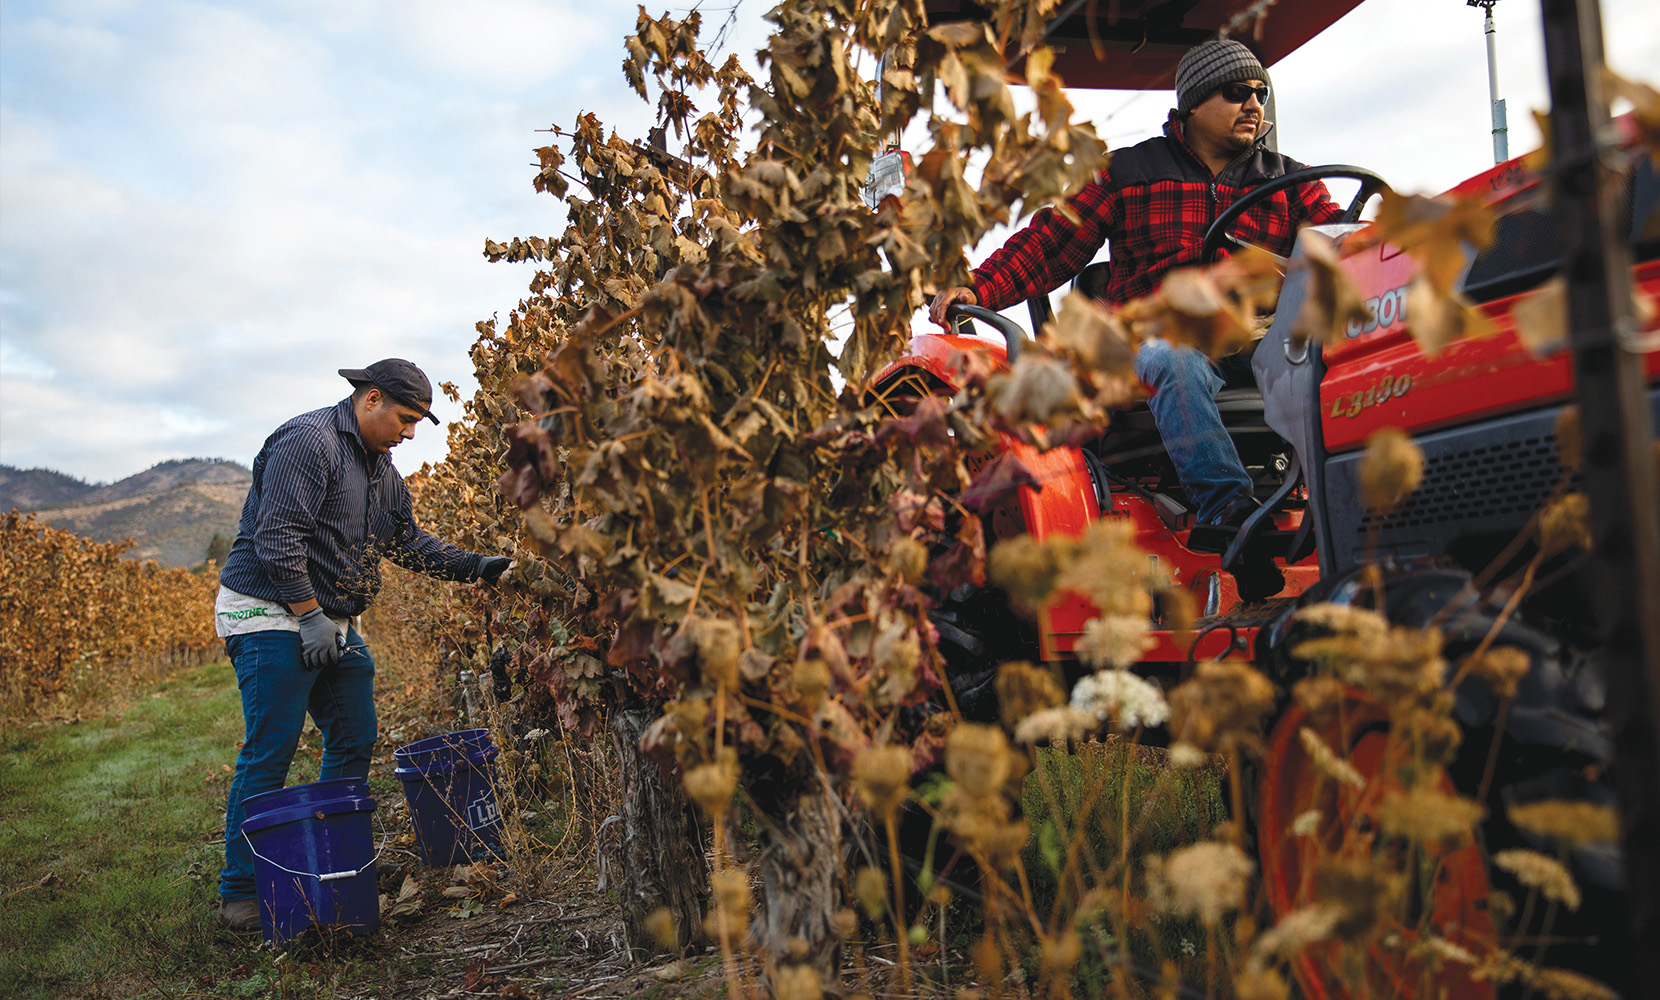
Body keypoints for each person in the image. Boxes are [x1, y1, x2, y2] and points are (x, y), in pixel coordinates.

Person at [930, 38, 1343, 595]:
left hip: (1260, 342)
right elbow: (1053, 245)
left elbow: (1342, 245)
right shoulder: (1127, 172)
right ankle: (1232, 514)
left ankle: (1351, 515)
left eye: (1259, 93)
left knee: (1351, 358)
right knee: (1169, 357)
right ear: (1194, 102)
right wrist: (978, 286)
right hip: (1151, 339)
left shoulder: (1290, 180)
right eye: (1236, 92)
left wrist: (1293, 267)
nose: (1254, 105)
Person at [212, 358, 511, 931]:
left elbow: (407, 542)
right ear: (370, 399)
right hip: (268, 610)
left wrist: (481, 568)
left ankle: (332, 860)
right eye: (405, 418)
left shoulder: (381, 470)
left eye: (418, 422)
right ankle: (241, 892)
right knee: (272, 746)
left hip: (329, 618)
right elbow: (276, 540)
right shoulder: (309, 443)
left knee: (354, 733)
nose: (409, 432)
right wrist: (308, 615)